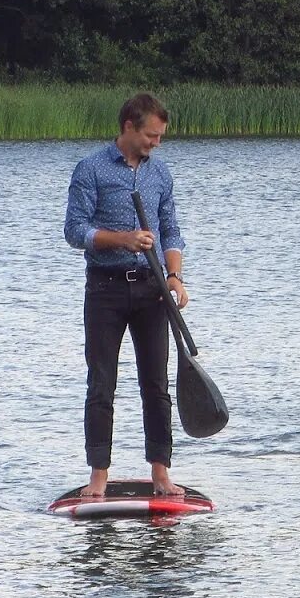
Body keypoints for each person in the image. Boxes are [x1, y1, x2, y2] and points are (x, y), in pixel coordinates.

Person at [64, 93, 189, 499]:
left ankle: (160, 474)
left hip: (154, 289)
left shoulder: (161, 174)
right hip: (105, 289)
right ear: (129, 127)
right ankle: (98, 477)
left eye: (160, 136)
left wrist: (174, 277)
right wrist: (122, 239)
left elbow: (170, 230)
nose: (157, 142)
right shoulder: (91, 169)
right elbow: (74, 231)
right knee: (102, 383)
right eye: (151, 135)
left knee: (156, 384)